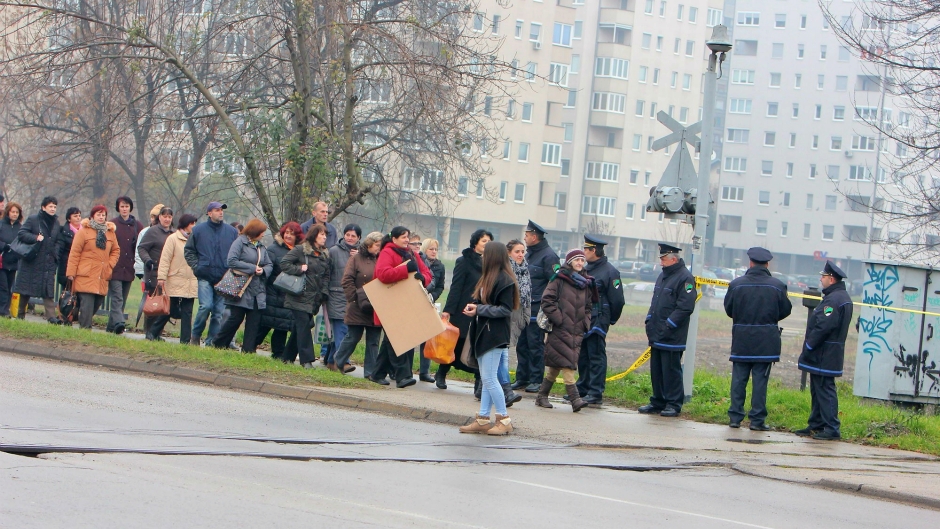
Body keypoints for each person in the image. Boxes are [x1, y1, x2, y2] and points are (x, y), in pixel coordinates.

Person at [724, 247, 792, 430]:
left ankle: (735, 417)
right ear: (767, 264)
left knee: (738, 380)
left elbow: (729, 310)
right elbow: (785, 310)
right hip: (766, 340)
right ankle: (757, 420)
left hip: (741, 339)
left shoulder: (736, 285)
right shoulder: (777, 286)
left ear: (750, 263)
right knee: (760, 382)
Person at [458, 241, 520, 435]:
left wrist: (480, 309)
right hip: (484, 333)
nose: (482, 257)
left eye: (486, 254)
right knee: (486, 379)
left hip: (495, 335)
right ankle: (483, 419)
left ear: (493, 256)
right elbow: (483, 301)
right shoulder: (488, 278)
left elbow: (505, 309)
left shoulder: (505, 280)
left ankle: (504, 418)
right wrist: (473, 306)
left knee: (490, 378)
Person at [796, 260, 853, 441]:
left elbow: (824, 326)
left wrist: (809, 346)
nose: (821, 279)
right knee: (817, 388)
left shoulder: (834, 300)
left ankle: (831, 428)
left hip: (824, 353)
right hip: (826, 352)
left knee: (825, 389)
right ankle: (816, 424)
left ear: (832, 279)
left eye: (824, 276)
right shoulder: (837, 297)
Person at [534, 249, 597, 413]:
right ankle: (575, 399)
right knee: (568, 363)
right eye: (577, 260)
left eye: (582, 261)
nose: (580, 263)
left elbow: (590, 306)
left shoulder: (586, 282)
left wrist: (586, 322)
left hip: (577, 330)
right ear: (569, 262)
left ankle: (542, 395)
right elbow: (547, 300)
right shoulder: (559, 279)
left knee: (557, 366)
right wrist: (559, 319)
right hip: (560, 329)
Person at [639, 243, 697, 417]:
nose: (661, 263)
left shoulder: (685, 278)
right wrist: (649, 320)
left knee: (671, 370)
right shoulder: (663, 276)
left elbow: (685, 307)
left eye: (664, 259)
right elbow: (655, 301)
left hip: (672, 334)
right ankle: (658, 400)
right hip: (656, 332)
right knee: (656, 370)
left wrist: (669, 325)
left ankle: (673, 403)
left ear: (673, 259)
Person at [369, 226, 431, 388]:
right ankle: (403, 376)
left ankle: (377, 374)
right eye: (403, 237)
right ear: (394, 238)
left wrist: (422, 277)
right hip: (390, 305)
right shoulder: (387, 253)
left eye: (407, 237)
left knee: (391, 340)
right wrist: (405, 270)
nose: (406, 240)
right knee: (398, 339)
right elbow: (382, 274)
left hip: (406, 304)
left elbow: (427, 273)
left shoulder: (412, 254)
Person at [574, 235, 625, 407]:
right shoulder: (586, 269)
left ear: (593, 251)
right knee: (583, 355)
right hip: (585, 318)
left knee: (595, 356)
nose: (583, 252)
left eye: (586, 249)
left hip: (599, 319)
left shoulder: (610, 272)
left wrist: (610, 320)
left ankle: (595, 392)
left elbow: (617, 301)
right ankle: (583, 388)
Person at [439, 228, 491, 394]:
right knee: (456, 343)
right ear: (475, 242)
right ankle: (441, 373)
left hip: (481, 311)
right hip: (463, 309)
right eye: (484, 241)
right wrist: (448, 310)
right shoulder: (464, 261)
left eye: (489, 242)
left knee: (477, 347)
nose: (486, 244)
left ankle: (478, 383)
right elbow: (456, 287)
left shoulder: (491, 264)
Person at [211, 219, 273, 353]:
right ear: (255, 231)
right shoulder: (240, 242)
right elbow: (231, 261)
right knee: (235, 319)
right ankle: (218, 343)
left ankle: (248, 350)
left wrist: (263, 271)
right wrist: (252, 268)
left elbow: (269, 264)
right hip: (241, 287)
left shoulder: (261, 246)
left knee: (254, 321)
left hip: (257, 290)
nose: (263, 235)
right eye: (262, 232)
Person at [512, 220, 560, 393]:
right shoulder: (527, 254)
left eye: (526, 235)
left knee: (535, 344)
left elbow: (555, 284)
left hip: (537, 307)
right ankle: (521, 377)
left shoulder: (549, 256)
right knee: (521, 343)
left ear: (534, 236)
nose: (524, 238)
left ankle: (535, 379)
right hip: (522, 306)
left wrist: (547, 307)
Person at [185, 201, 239, 345]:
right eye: (217, 210)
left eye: (221, 210)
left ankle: (211, 342)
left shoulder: (232, 232)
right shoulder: (198, 230)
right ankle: (195, 335)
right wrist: (197, 267)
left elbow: (237, 253)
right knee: (205, 306)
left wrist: (232, 270)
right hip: (204, 275)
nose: (220, 212)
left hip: (223, 277)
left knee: (218, 313)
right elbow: (189, 251)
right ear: (209, 213)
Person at [281, 224, 331, 368]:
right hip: (298, 296)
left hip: (314, 299)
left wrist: (324, 293)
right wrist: (298, 269)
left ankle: (287, 357)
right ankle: (307, 360)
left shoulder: (324, 254)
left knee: (301, 327)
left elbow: (326, 275)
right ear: (314, 235)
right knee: (304, 326)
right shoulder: (300, 250)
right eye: (322, 234)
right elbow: (284, 263)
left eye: (325, 235)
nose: (324, 237)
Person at [334, 231, 383, 376]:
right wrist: (354, 298)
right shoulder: (356, 259)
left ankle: (370, 372)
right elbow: (347, 279)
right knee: (353, 337)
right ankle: (339, 360)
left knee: (374, 341)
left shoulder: (382, 259)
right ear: (369, 244)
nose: (379, 248)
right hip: (358, 305)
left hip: (376, 306)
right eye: (377, 245)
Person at [66, 205, 120, 329]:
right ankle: (85, 330)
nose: (101, 217)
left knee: (97, 303)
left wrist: (110, 265)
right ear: (92, 216)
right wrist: (71, 273)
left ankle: (76, 318)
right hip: (86, 274)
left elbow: (116, 250)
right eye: (98, 215)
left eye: (103, 215)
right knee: (87, 305)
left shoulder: (110, 233)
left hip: (102, 275)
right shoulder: (84, 231)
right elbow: (75, 252)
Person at [255, 222, 302, 361]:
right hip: (273, 293)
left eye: (292, 234)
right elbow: (267, 271)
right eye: (286, 232)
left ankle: (278, 353)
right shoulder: (274, 249)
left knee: (282, 326)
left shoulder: (299, 251)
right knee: (265, 324)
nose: (288, 236)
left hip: (288, 295)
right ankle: (250, 346)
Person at [13, 196, 64, 323]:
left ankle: (51, 318)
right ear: (43, 207)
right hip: (32, 260)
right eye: (50, 206)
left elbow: (59, 240)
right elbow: (22, 234)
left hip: (48, 263)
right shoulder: (33, 219)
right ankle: (20, 315)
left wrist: (55, 255)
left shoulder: (56, 223)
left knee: (48, 291)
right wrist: (35, 237)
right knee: (26, 289)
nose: (53, 209)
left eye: (54, 206)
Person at [149, 214, 199, 343]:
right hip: (175, 279)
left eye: (195, 223)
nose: (194, 226)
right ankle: (153, 332)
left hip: (191, 280)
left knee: (187, 312)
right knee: (170, 309)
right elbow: (165, 259)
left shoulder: (196, 239)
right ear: (184, 225)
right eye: (191, 223)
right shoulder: (173, 239)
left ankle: (185, 341)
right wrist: (161, 277)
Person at [324, 223, 361, 370]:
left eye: (353, 236)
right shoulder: (333, 251)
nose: (350, 238)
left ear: (359, 238)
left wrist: (358, 258)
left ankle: (331, 361)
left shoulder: (362, 254)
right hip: (336, 295)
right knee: (341, 330)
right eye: (347, 235)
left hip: (353, 298)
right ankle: (343, 361)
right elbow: (327, 273)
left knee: (344, 330)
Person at [108, 196, 144, 334]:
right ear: (118, 208)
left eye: (127, 206)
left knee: (122, 299)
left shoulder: (137, 226)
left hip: (129, 268)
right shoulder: (112, 224)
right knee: (117, 298)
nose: (124, 209)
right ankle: (119, 323)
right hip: (115, 267)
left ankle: (111, 328)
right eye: (122, 206)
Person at [501, 240, 529, 407]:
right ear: (509, 252)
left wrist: (526, 316)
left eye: (522, 251)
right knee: (502, 354)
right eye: (517, 251)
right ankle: (506, 391)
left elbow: (528, 293)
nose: (520, 255)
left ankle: (483, 387)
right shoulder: (505, 270)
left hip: (518, 316)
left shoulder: (525, 269)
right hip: (505, 315)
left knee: (502, 354)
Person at [418, 238, 446, 383]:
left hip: (430, 303)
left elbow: (440, 286)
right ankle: (401, 370)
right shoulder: (419, 263)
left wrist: (433, 296)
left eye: (436, 249)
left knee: (426, 339)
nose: (434, 252)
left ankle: (424, 372)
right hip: (415, 303)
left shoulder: (440, 266)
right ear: (425, 250)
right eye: (431, 249)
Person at [137, 206, 174, 295]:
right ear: (160, 217)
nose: (167, 219)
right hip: (154, 273)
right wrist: (147, 260)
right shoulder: (152, 231)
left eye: (169, 217)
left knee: (168, 305)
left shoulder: (174, 233)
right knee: (154, 304)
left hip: (170, 274)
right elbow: (142, 248)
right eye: (165, 217)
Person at [0, 202, 23, 317]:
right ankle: (3, 311)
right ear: (8, 212)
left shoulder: (20, 227)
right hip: (2, 260)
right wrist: (4, 245)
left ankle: (5, 309)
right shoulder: (1, 225)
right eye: (12, 212)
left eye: (17, 212)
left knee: (9, 287)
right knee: (3, 287)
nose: (14, 214)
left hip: (13, 261)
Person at [135, 204, 164, 280]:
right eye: (152, 217)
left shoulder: (170, 233)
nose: (153, 219)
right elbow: (139, 251)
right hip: (148, 270)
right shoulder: (144, 232)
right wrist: (139, 270)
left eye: (155, 217)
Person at [56, 207, 82, 288]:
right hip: (67, 267)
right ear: (69, 219)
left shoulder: (85, 231)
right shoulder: (64, 232)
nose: (78, 218)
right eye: (75, 216)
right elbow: (59, 250)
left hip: (82, 268)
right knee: (68, 295)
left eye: (79, 215)